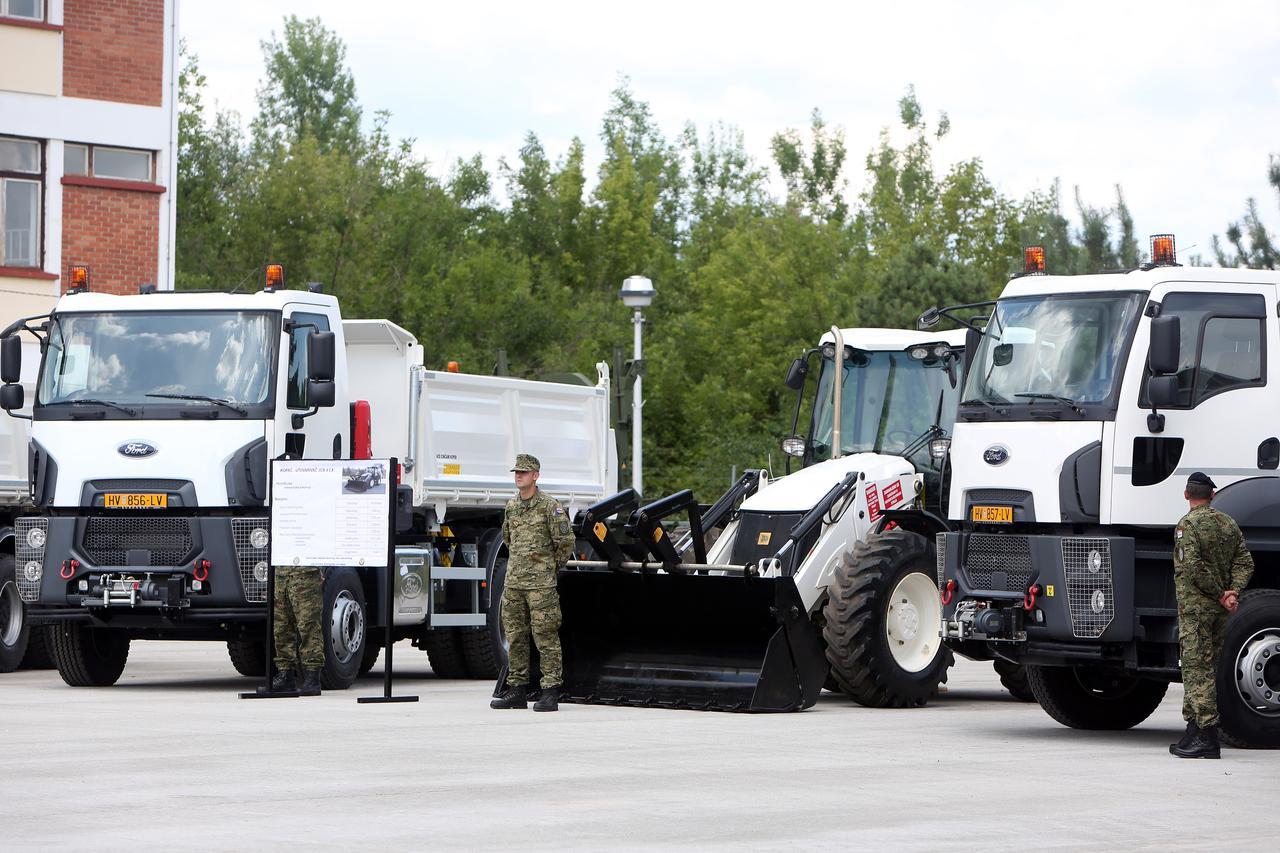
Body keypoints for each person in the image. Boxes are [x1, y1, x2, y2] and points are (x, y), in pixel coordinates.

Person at [1169, 471, 1253, 759]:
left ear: (1185, 495)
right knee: (1207, 668)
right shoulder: (1227, 523)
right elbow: (1245, 561)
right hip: (1219, 612)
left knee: (1195, 669)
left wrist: (1220, 593)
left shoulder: (1187, 525)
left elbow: (1192, 567)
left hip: (1196, 610)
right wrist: (1233, 592)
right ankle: (1193, 731)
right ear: (1212, 495)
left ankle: (1206, 737)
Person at [490, 453, 575, 712]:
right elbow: (508, 540)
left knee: (545, 637)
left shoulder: (550, 506)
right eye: (516, 472)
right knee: (516, 637)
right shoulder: (512, 506)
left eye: (524, 472)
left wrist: (548, 569)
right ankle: (516, 690)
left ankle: (550, 692)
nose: (518, 476)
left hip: (541, 587)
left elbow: (565, 542)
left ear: (535, 476)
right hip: (514, 583)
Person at [266, 566, 325, 696]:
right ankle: (285, 675)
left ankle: (312, 676)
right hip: (281, 572)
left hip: (305, 572)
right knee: (281, 627)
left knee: (308, 625)